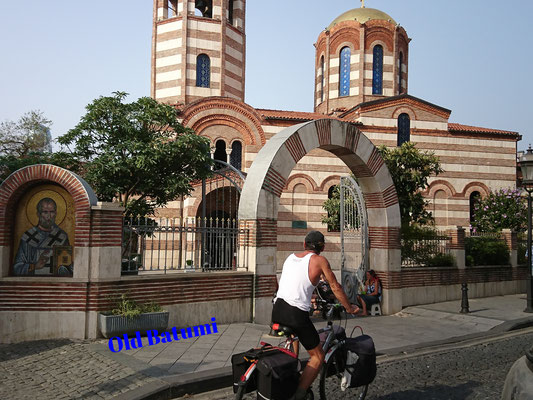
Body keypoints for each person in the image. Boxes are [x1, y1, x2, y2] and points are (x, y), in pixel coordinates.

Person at [272, 230, 359, 400]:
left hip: (277, 309)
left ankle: (291, 377)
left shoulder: (290, 258)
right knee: (317, 356)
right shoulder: (320, 261)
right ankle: (298, 395)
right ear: (323, 247)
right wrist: (349, 308)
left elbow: (301, 281)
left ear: (304, 244)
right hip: (295, 313)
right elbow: (335, 286)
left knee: (295, 339)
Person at [13, 197, 72, 276]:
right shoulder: (28, 237)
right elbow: (17, 267)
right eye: (45, 212)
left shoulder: (62, 236)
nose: (49, 216)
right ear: (38, 214)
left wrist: (65, 269)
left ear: (56, 213)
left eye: (52, 212)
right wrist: (34, 266)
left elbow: (68, 264)